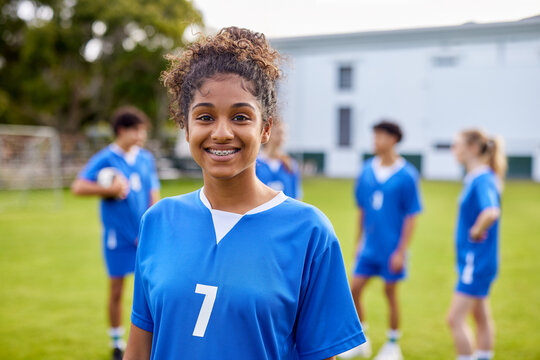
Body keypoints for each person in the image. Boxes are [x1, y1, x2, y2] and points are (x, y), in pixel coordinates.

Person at [124, 27, 365, 360]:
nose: (221, 133)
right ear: (186, 126)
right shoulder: (158, 221)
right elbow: (138, 350)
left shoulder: (310, 232)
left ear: (265, 128)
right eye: (205, 116)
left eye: (240, 117)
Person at [71, 106, 160, 360]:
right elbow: (78, 187)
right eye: (137, 130)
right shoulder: (105, 158)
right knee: (117, 290)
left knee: (152, 290)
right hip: (117, 238)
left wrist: (153, 227)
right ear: (122, 130)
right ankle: (117, 342)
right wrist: (108, 190)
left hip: (143, 237)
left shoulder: (145, 158)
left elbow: (153, 193)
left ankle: (151, 341)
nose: (141, 136)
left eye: (143, 131)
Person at [340, 121, 422, 360]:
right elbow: (362, 210)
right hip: (369, 247)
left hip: (391, 248)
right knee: (353, 289)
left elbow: (411, 214)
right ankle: (360, 340)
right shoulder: (366, 170)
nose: (375, 141)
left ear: (393, 139)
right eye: (374, 136)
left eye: (380, 137)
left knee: (390, 292)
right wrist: (358, 242)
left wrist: (401, 251)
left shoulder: (407, 175)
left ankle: (393, 345)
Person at [446, 130, 506, 360]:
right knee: (480, 315)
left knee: (454, 318)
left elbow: (491, 212)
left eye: (456, 145)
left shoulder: (482, 178)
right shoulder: (478, 177)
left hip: (476, 260)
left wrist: (476, 230)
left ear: (472, 148)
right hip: (476, 259)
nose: (454, 150)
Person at [256, 120, 302, 199]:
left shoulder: (290, 164)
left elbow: (296, 197)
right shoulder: (255, 164)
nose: (282, 137)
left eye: (284, 134)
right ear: (267, 133)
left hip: (286, 210)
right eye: (278, 133)